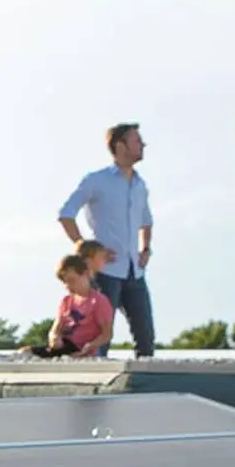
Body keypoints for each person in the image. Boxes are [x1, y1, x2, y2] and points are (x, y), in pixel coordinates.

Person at [58, 122, 154, 358]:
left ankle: (145, 380)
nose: (143, 145)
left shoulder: (140, 185)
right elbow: (66, 214)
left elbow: (146, 221)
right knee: (98, 340)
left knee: (146, 338)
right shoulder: (96, 180)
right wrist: (82, 246)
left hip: (135, 273)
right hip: (104, 273)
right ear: (120, 146)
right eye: (136, 140)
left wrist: (145, 249)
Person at [47, 253, 115, 358]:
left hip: (85, 350)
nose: (68, 286)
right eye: (64, 282)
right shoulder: (66, 301)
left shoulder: (98, 301)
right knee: (26, 352)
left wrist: (90, 346)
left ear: (86, 274)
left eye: (71, 280)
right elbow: (55, 329)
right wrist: (54, 338)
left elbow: (107, 334)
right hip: (65, 346)